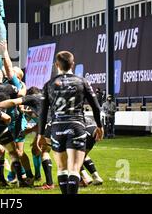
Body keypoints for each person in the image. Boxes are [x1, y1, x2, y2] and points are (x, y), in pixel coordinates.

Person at [37, 51, 104, 195]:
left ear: (56, 65)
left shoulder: (48, 84)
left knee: (62, 168)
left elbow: (42, 112)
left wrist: (40, 134)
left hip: (57, 128)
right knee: (74, 169)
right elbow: (96, 107)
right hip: (76, 126)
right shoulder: (82, 82)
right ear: (73, 64)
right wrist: (99, 126)